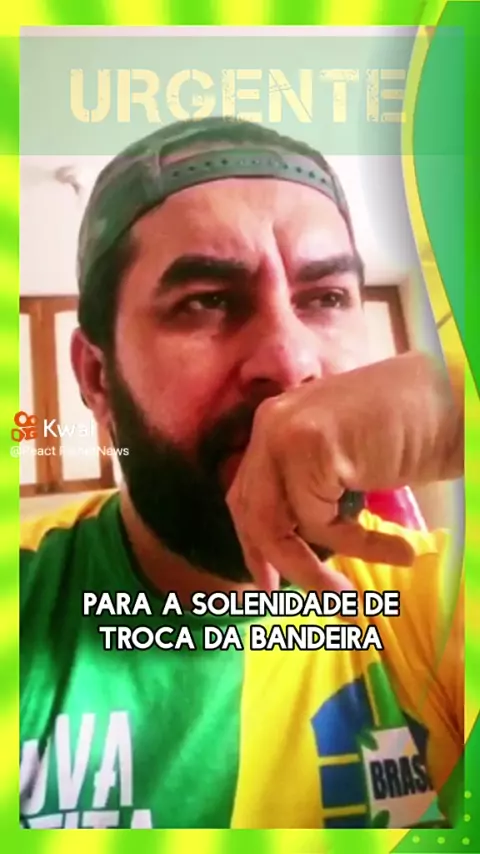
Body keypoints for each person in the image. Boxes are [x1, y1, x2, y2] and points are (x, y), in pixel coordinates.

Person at [20, 117, 464, 831]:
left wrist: (459, 404)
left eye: (325, 298)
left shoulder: (436, 599)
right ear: (97, 378)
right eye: (207, 300)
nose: (291, 362)